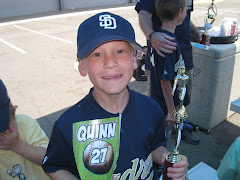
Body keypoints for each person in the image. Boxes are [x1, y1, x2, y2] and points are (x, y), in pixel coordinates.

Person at [42, 12, 188, 180]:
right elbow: (55, 166)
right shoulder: (69, 124)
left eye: (120, 51)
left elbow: (156, 146)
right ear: (82, 66)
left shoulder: (151, 108)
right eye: (97, 54)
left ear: (134, 60)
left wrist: (168, 159)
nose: (110, 62)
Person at [135, 0, 208, 145]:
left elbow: (185, 18)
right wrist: (152, 35)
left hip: (184, 55)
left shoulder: (178, 17)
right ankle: (157, 144)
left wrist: (197, 34)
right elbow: (144, 13)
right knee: (159, 110)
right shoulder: (168, 45)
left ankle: (178, 127)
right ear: (179, 13)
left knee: (181, 99)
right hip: (164, 47)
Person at [0, 79, 50, 180]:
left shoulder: (25, 123)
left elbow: (49, 158)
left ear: (13, 110)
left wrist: (16, 145)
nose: (4, 135)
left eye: (5, 127)